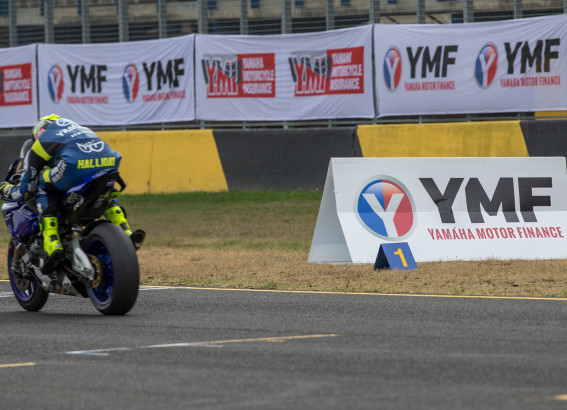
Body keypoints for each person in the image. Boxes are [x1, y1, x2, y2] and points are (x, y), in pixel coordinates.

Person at [0, 114, 133, 261]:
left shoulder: (42, 142)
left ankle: (51, 239)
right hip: (110, 161)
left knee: (40, 183)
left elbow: (24, 192)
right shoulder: (82, 130)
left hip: (74, 166)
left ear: (38, 133)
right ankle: (125, 229)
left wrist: (6, 189)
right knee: (102, 189)